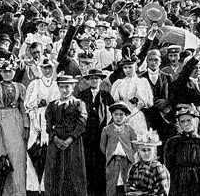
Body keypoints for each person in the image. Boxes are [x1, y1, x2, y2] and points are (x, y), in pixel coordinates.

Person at [0, 57, 29, 196]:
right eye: (4, 71)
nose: (7, 74)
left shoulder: (20, 87)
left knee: (17, 156)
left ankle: (18, 192)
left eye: (10, 71)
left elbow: (23, 107)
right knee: (1, 155)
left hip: (16, 121)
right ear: (0, 72)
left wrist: (26, 126)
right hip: (1, 120)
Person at [44, 75, 88, 196]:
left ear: (73, 87)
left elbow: (81, 125)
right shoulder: (52, 105)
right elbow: (48, 125)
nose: (65, 90)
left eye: (67, 87)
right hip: (56, 143)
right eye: (62, 86)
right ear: (58, 87)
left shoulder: (79, 104)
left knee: (73, 172)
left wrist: (70, 139)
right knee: (55, 172)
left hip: (73, 143)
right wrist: (55, 138)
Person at [76, 68, 115, 196]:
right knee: (87, 162)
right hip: (87, 134)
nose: (94, 80)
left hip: (101, 134)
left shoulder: (105, 95)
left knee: (100, 162)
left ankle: (100, 191)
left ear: (101, 80)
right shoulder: (82, 95)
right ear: (88, 81)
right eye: (91, 78)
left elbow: (113, 113)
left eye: (96, 78)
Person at [24, 58, 60, 193]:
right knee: (34, 150)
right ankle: (34, 186)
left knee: (49, 151)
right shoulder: (36, 84)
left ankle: (47, 185)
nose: (47, 70)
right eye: (44, 68)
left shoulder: (56, 84)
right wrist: (34, 121)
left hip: (52, 121)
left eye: (49, 67)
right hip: (38, 120)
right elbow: (29, 105)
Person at [165, 104, 200, 196]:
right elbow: (169, 165)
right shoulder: (173, 141)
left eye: (189, 120)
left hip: (197, 179)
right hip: (178, 179)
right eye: (182, 121)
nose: (186, 124)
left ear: (196, 121)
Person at [111, 52, 153, 136]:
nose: (128, 70)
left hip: (135, 115)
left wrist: (129, 117)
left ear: (136, 67)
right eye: (125, 67)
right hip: (121, 115)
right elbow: (115, 100)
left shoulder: (140, 82)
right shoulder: (119, 83)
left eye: (130, 67)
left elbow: (141, 103)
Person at [100, 102, 137, 196]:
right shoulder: (106, 129)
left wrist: (129, 154)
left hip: (127, 160)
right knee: (111, 184)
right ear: (112, 115)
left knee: (128, 183)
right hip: (112, 161)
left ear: (126, 116)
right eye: (116, 114)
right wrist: (110, 154)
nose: (118, 117)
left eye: (121, 115)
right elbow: (102, 146)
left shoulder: (130, 129)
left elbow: (135, 146)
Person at [125, 129, 170, 196]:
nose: (146, 153)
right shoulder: (135, 167)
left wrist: (141, 194)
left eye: (149, 150)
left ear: (154, 151)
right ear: (139, 151)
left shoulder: (158, 168)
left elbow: (162, 192)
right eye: (143, 150)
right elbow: (129, 187)